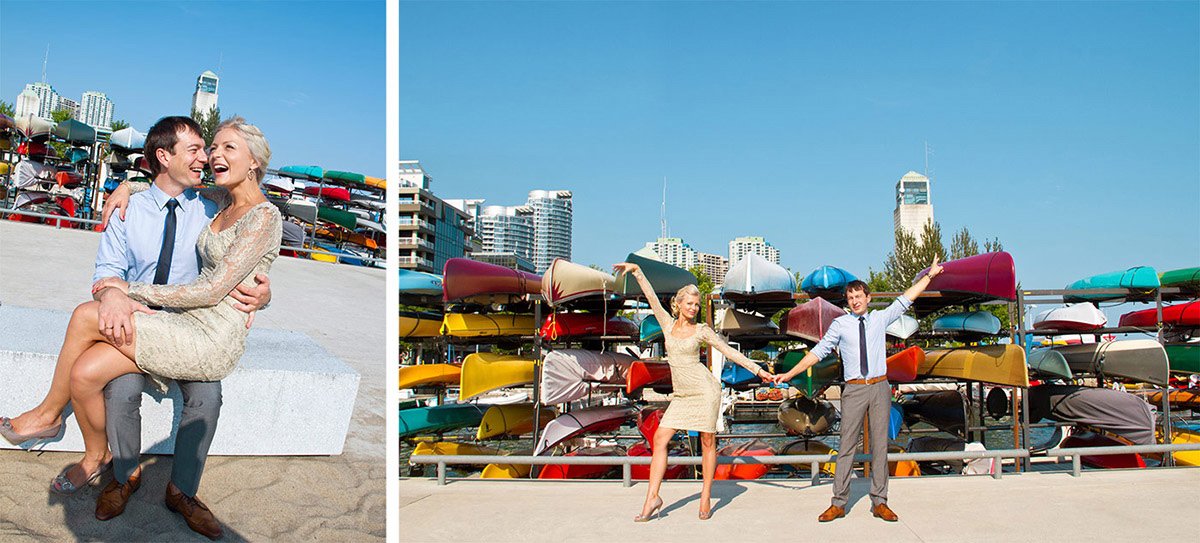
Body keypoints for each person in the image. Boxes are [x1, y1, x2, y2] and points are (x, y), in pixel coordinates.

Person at [1, 116, 281, 540]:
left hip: (196, 325)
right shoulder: (139, 206)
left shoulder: (212, 205)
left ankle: (181, 492)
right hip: (142, 316)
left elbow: (232, 275)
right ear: (164, 158)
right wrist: (130, 189)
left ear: (253, 160)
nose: (209, 157)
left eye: (222, 149)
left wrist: (264, 294)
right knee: (93, 377)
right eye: (202, 149)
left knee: (207, 395)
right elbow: (107, 272)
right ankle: (119, 472)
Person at [773, 256, 944, 523]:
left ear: (867, 297)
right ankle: (838, 503)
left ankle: (880, 502)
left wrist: (930, 276)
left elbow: (906, 298)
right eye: (850, 297)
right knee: (846, 447)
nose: (854, 300)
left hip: (879, 387)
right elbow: (817, 353)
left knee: (880, 447)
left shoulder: (880, 318)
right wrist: (789, 374)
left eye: (858, 295)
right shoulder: (840, 324)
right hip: (853, 390)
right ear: (848, 301)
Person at [613, 262, 774, 522]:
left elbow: (728, 351)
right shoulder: (666, 324)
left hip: (705, 391)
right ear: (678, 305)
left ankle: (705, 496)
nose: (693, 308)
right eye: (689, 304)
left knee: (708, 443)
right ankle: (652, 498)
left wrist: (759, 370)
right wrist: (637, 271)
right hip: (681, 396)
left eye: (697, 305)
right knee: (660, 440)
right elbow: (652, 297)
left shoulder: (702, 330)